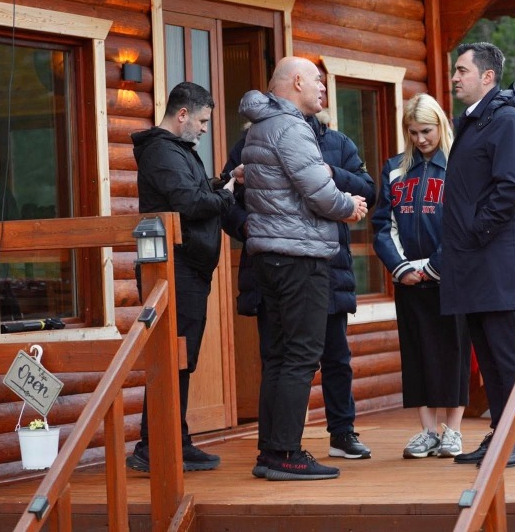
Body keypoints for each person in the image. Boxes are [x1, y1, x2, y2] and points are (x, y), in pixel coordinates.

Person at [239, 56, 368, 481]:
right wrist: (350, 206)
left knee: (279, 356)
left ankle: (271, 451)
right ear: (296, 82)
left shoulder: (260, 125)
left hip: (269, 256)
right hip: (299, 256)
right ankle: (287, 454)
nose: (323, 89)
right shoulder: (291, 127)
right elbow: (319, 191)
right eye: (317, 81)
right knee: (301, 356)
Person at [127, 81, 237, 473]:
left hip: (186, 267)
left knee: (179, 357)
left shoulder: (175, 150)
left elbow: (191, 192)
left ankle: (173, 439)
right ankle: (154, 445)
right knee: (171, 357)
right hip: (174, 268)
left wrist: (222, 182)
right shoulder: (161, 150)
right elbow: (189, 203)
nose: (205, 128)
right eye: (203, 121)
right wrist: (227, 195)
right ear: (183, 114)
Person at [441, 42, 515, 468]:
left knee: (506, 355)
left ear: (487, 76)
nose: (454, 77)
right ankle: (502, 434)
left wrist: (476, 229)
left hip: (494, 256)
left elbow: (513, 184)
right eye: (455, 70)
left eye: (462, 70)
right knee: (489, 355)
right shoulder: (475, 119)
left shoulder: (506, 119)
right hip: (473, 258)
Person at [372, 94, 470, 459]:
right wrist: (400, 267)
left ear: (440, 126)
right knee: (417, 352)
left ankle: (453, 431)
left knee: (453, 351)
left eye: (426, 131)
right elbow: (383, 225)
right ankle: (427, 431)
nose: (420, 139)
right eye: (413, 132)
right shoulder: (395, 168)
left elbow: (462, 224)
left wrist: (435, 266)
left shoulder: (459, 165)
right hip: (408, 277)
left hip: (449, 276)